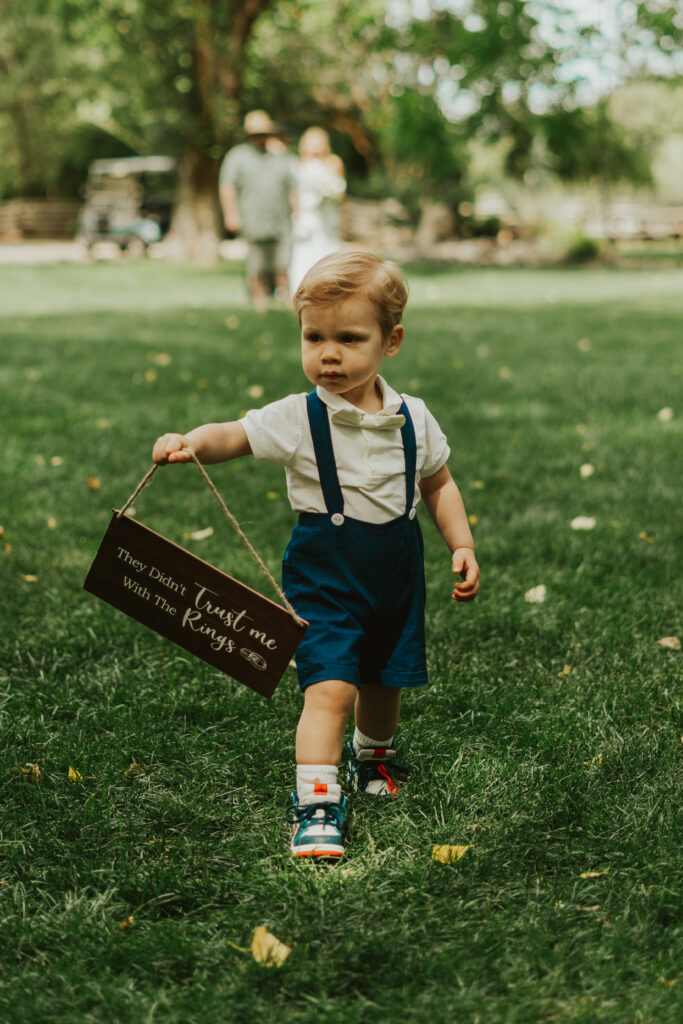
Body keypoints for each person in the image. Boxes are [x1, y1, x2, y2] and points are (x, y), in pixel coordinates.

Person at [152, 250, 480, 861]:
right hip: (326, 576)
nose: (328, 354)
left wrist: (460, 543)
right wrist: (191, 442)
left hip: (396, 572)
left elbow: (438, 483)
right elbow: (236, 433)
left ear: (392, 342)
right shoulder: (299, 418)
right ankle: (317, 802)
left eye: (349, 338)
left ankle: (372, 757)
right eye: (314, 337)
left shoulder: (415, 418)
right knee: (329, 687)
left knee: (385, 680)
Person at [219, 110, 298, 312]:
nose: (260, 138)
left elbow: (292, 188)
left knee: (282, 263)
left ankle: (288, 301)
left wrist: (296, 211)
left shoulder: (280, 158)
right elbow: (227, 186)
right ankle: (259, 302)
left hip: (279, 219)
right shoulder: (237, 157)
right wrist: (231, 214)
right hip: (252, 218)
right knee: (256, 264)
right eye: (256, 134)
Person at [288, 127, 346, 293]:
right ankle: (302, 293)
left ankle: (328, 293)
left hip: (326, 216)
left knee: (327, 252)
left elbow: (340, 192)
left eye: (318, 141)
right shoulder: (298, 165)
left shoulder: (334, 162)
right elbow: (294, 193)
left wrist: (328, 194)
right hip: (306, 217)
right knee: (304, 255)